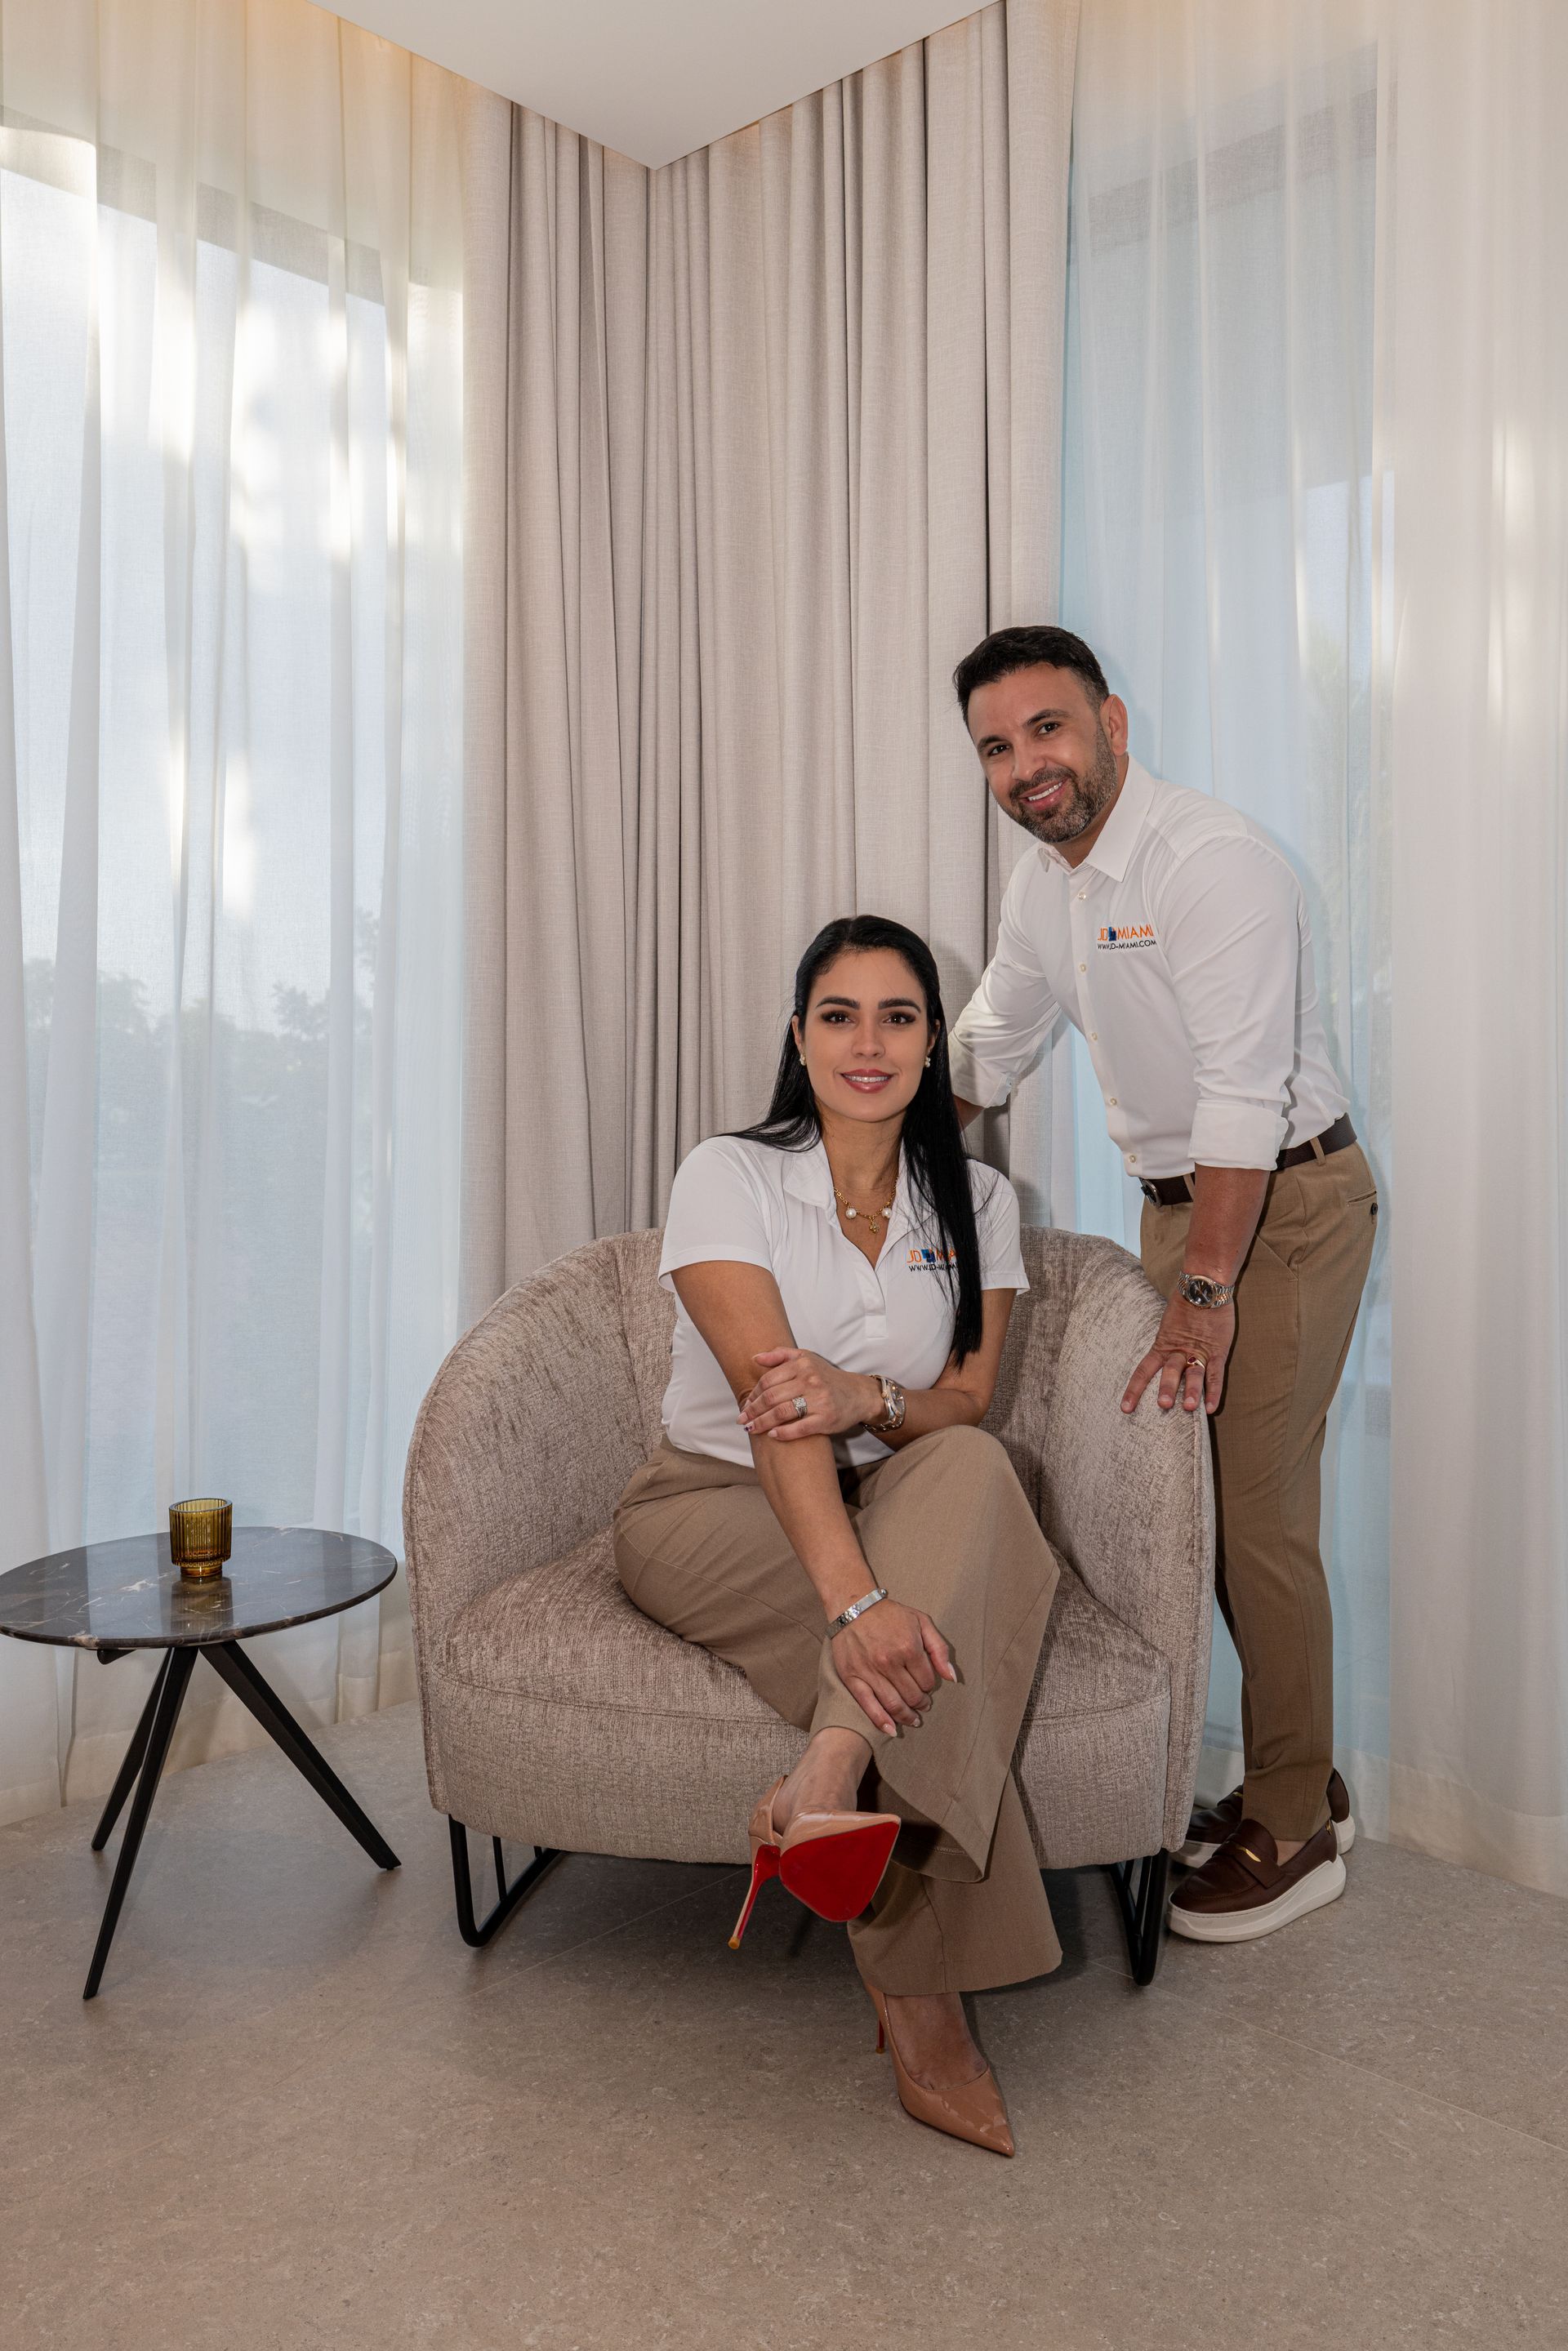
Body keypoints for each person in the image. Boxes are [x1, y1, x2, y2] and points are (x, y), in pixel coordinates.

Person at [947, 625, 1377, 1945]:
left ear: (1111, 721)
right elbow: (992, 1045)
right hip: (1181, 1217)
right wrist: (856, 1153)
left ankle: (1298, 1824)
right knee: (1191, 1507)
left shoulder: (1214, 864)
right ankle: (1302, 1778)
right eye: (997, 748)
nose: (1028, 766)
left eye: (1048, 730)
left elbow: (1245, 1098)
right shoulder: (1044, 888)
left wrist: (1206, 1293)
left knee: (1253, 1515)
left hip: (1281, 1210)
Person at [612, 914, 1061, 2155]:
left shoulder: (977, 1198)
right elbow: (772, 1408)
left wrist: (868, 1396)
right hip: (707, 1501)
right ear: (799, 1040)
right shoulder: (729, 1172)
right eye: (840, 1015)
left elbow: (962, 1402)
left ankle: (827, 1777)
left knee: (977, 1462)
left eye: (900, 1017)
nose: (870, 1043)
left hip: (896, 1486)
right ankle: (923, 2010)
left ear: (931, 1049)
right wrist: (862, 1610)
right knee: (921, 1624)